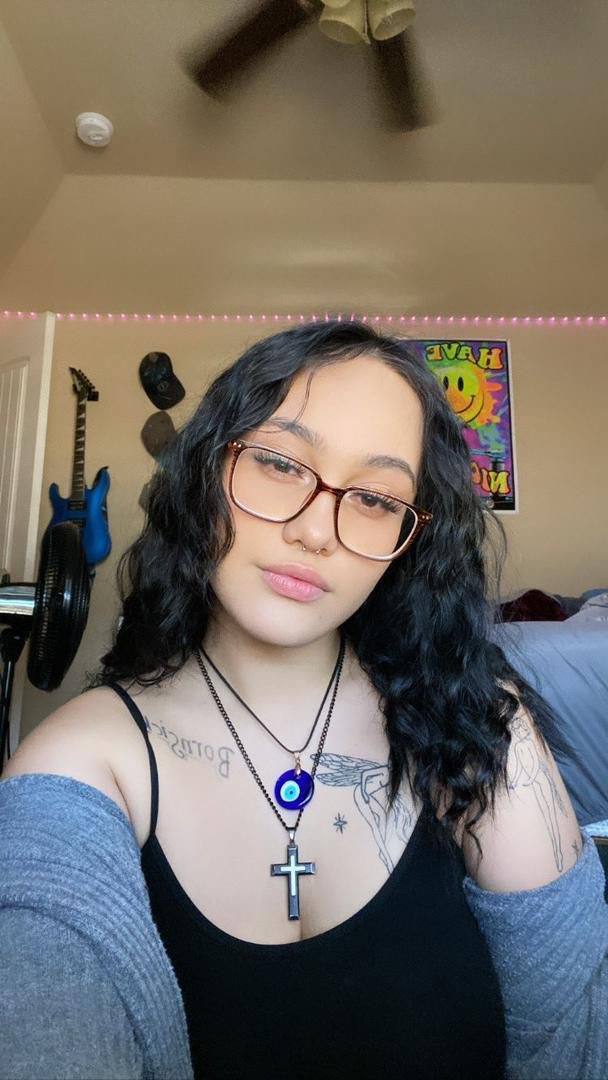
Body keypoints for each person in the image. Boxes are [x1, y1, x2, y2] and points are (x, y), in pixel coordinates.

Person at [1, 320, 606, 1080]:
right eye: (280, 463)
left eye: (376, 498)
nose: (317, 530)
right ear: (205, 473)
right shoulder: (77, 763)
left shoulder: (481, 723)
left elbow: (574, 1040)